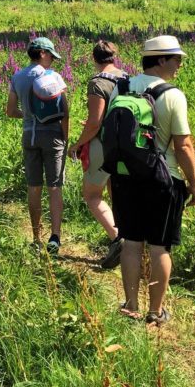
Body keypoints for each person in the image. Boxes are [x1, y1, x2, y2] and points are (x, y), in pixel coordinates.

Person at [111, 35, 195, 325]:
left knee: (132, 243)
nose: (179, 65)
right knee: (160, 247)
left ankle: (131, 306)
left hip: (125, 177)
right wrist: (194, 184)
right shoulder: (172, 94)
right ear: (161, 59)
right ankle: (155, 312)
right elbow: (183, 146)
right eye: (177, 59)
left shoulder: (121, 87)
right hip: (164, 180)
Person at [6, 36, 69, 254]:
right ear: (42, 53)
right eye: (51, 55)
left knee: (34, 186)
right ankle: (55, 237)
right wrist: (66, 139)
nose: (52, 60)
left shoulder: (17, 77)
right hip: (52, 136)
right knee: (54, 186)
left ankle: (35, 236)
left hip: (29, 137)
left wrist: (29, 116)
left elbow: (10, 111)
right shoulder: (54, 77)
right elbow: (65, 113)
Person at [69, 40, 126, 270]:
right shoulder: (126, 78)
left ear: (94, 58)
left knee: (92, 194)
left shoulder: (97, 82)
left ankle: (117, 238)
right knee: (117, 193)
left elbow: (94, 123)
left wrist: (76, 145)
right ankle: (131, 240)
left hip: (103, 146)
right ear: (114, 56)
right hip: (126, 145)